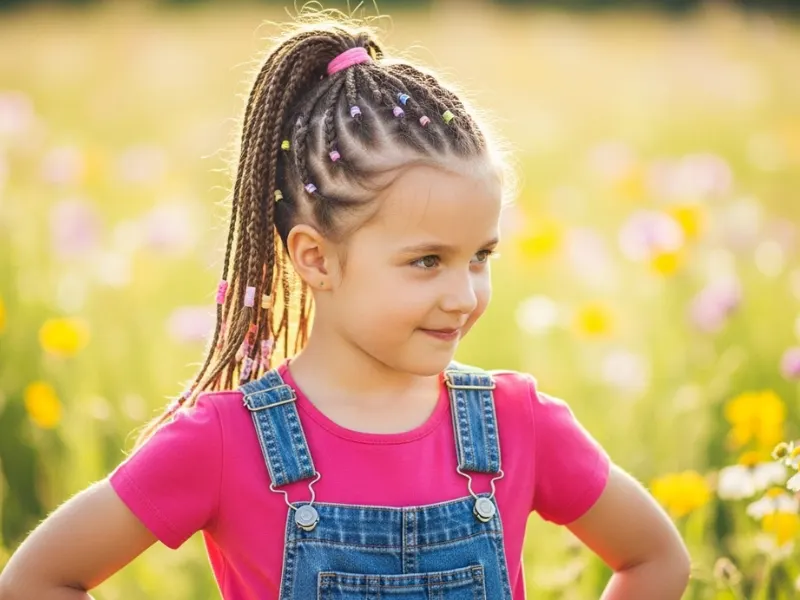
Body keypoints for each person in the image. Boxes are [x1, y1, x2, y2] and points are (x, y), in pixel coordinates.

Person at [0, 17, 690, 600]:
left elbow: (657, 558)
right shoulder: (221, 440)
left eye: (481, 255)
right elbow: (39, 580)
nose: (464, 294)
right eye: (427, 261)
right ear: (316, 259)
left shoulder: (517, 426)